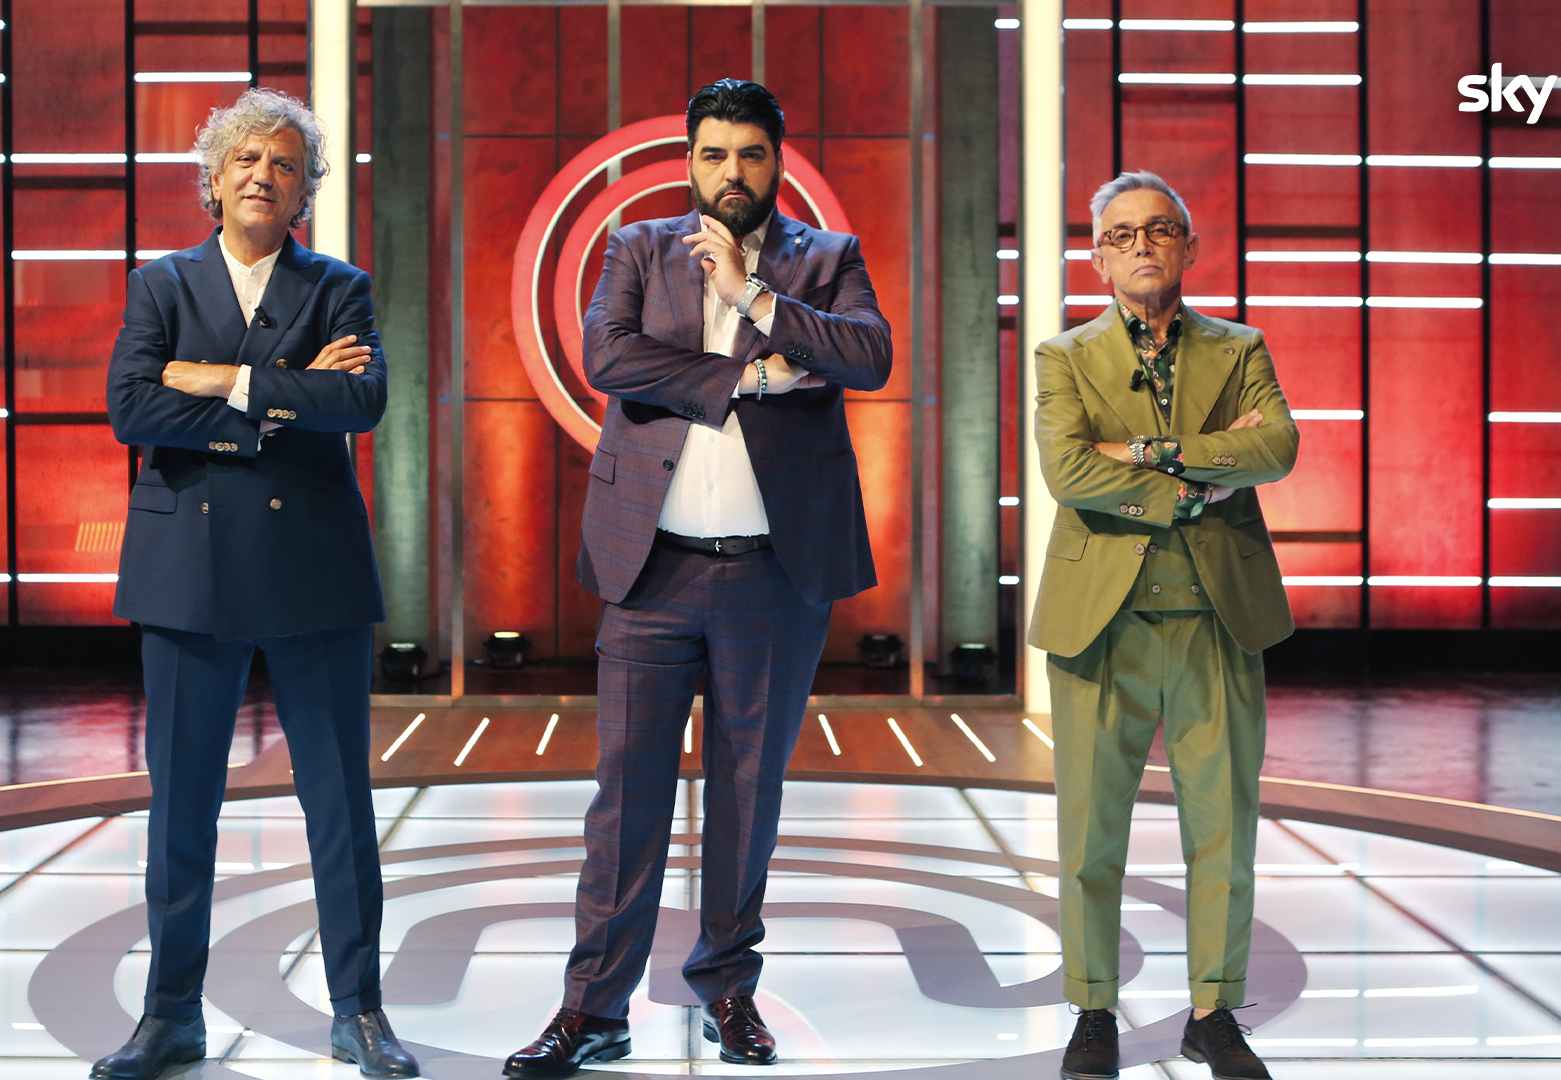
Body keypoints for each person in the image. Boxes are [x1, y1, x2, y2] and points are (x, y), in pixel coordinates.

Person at [505, 77, 891, 1077]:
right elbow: (609, 357)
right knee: (623, 801)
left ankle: (727, 990)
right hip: (652, 570)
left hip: (773, 577)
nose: (732, 172)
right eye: (714, 153)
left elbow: (868, 357)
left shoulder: (826, 259)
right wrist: (748, 376)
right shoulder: (638, 247)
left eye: (750, 154)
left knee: (747, 797)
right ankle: (593, 1009)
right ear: (688, 161)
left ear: (778, 162)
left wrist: (757, 301)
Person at [96, 88, 417, 1080]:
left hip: (312, 570)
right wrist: (284, 397)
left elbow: (360, 400)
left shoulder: (339, 286)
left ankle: (359, 1012)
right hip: (186, 575)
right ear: (213, 178)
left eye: (282, 163)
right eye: (245, 159)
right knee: (182, 808)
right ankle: (169, 1017)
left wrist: (218, 379)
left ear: (304, 189)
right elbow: (131, 409)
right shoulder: (160, 285)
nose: (261, 176)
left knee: (339, 804)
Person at [1032, 170, 1298, 1080]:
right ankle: (1092, 1010)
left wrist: (1144, 453)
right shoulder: (1063, 356)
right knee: (1089, 831)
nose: (1141, 245)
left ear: (1188, 246)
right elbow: (1068, 473)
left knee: (1223, 825)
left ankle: (1213, 1013)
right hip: (1098, 621)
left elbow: (1275, 445)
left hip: (1217, 615)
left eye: (1158, 229)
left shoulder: (1240, 346)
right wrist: (1194, 485)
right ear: (1096, 259)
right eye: (1121, 234)